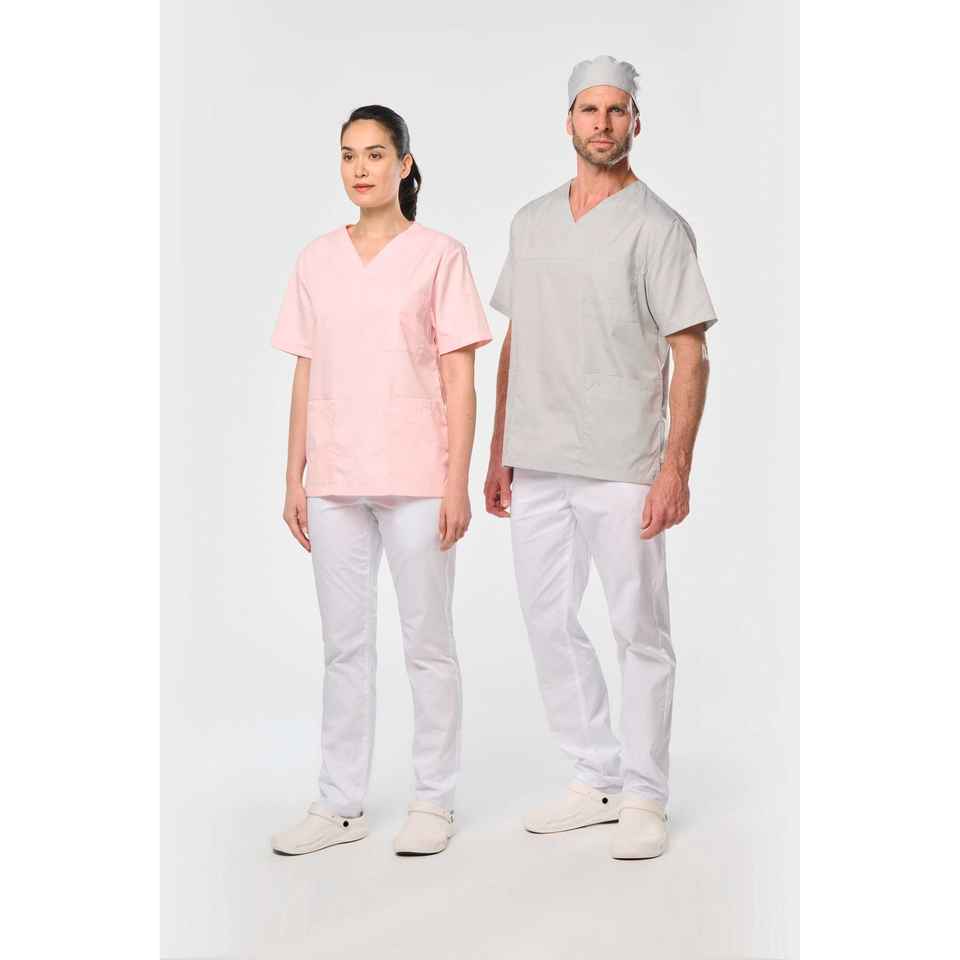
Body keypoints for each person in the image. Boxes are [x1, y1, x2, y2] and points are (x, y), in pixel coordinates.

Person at [485, 56, 718, 860]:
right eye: (590, 110)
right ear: (569, 122)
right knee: (546, 619)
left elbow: (690, 353)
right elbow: (517, 336)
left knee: (638, 628)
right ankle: (596, 776)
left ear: (636, 124)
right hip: (537, 456)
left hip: (623, 460)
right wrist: (499, 448)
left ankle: (646, 795)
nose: (603, 124)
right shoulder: (531, 222)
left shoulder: (658, 228)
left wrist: (675, 466)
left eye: (617, 110)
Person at [270, 105, 491, 857]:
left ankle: (433, 799)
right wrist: (294, 474)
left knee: (428, 643)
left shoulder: (440, 256)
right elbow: (306, 371)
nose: (359, 168)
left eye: (374, 153)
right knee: (344, 647)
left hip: (418, 476)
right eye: (347, 155)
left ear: (404, 164)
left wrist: (457, 481)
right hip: (335, 477)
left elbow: (460, 379)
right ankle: (340, 804)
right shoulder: (315, 260)